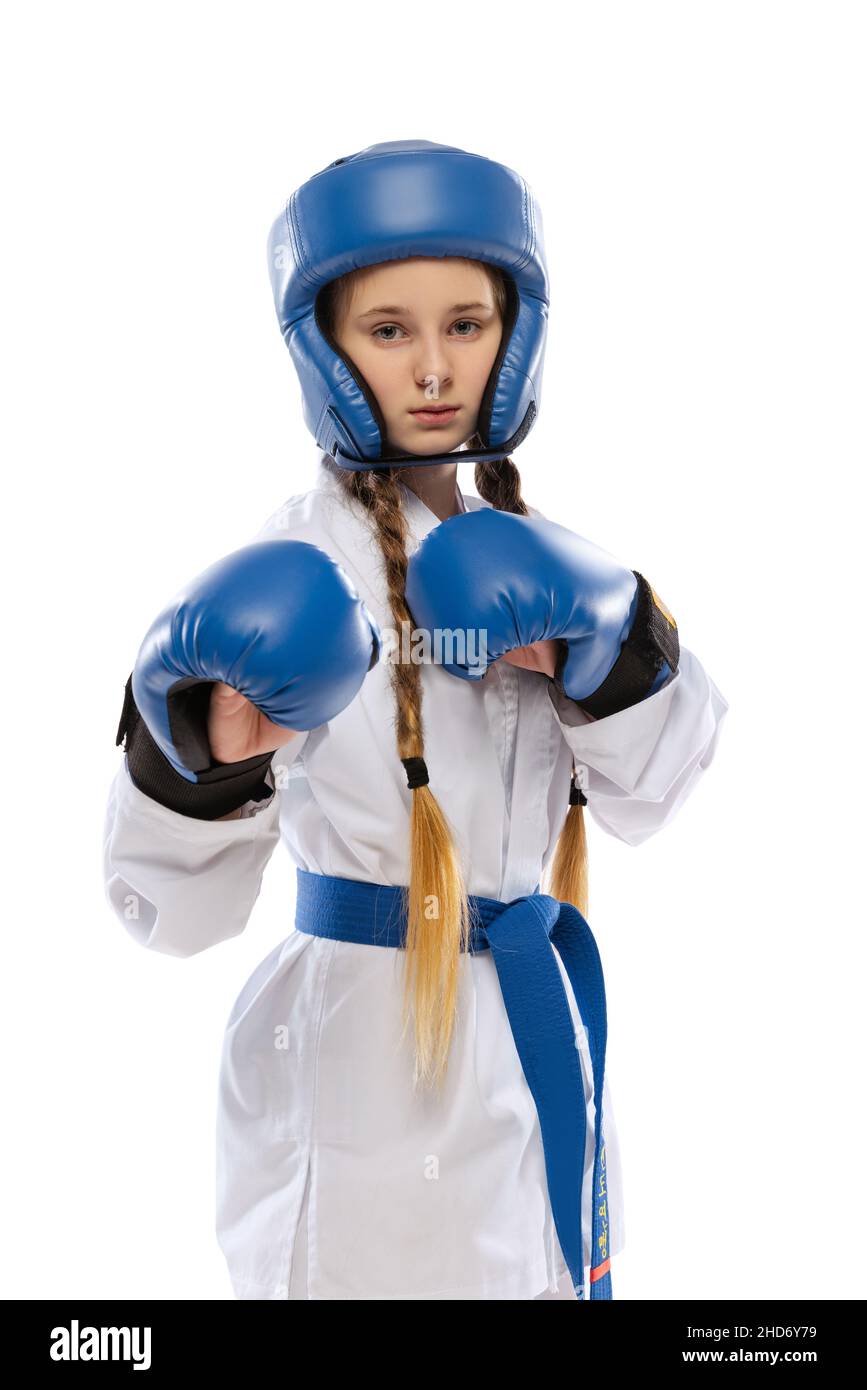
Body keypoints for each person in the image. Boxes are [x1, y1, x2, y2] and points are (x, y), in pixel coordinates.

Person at [103, 140, 729, 1300]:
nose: (434, 368)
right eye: (389, 330)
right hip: (357, 1053)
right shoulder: (291, 574)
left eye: (468, 324)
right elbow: (164, 913)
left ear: (516, 335)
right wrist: (205, 756)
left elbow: (659, 794)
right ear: (326, 350)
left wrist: (615, 643)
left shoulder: (542, 558)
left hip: (530, 1032)